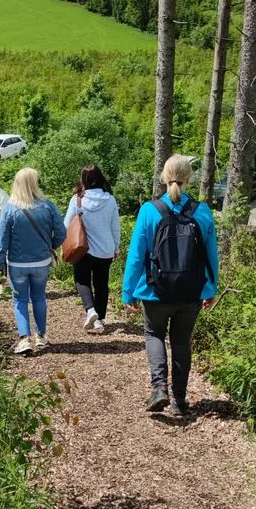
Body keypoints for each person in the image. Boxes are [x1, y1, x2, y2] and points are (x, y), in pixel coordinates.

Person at [122, 153, 218, 416]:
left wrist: (128, 291)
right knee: (182, 341)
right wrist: (211, 288)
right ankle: (179, 402)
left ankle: (159, 389)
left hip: (155, 291)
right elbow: (211, 255)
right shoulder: (203, 212)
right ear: (189, 179)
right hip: (192, 292)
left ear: (163, 177)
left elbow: (136, 255)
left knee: (154, 334)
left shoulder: (149, 211)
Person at [0, 167, 66, 354]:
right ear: (35, 184)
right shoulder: (47, 206)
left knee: (19, 299)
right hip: (41, 261)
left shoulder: (10, 209)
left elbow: (1, 241)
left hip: (17, 263)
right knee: (39, 297)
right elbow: (61, 232)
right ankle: (41, 336)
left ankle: (25, 338)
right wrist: (51, 246)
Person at [64, 164, 120, 333]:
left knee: (82, 280)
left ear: (83, 180)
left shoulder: (77, 200)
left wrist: (62, 245)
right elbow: (115, 226)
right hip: (105, 249)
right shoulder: (110, 200)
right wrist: (116, 247)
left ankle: (90, 310)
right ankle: (99, 321)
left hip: (83, 249)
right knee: (102, 283)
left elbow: (66, 224)